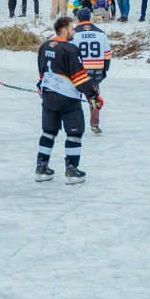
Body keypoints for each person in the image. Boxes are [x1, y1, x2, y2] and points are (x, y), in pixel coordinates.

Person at [36, 16, 100, 183]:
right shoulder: (70, 49)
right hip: (67, 99)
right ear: (64, 31)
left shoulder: (44, 46)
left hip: (48, 97)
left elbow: (41, 72)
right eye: (72, 29)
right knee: (75, 133)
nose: (74, 32)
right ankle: (71, 170)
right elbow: (79, 77)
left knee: (48, 132)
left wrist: (41, 86)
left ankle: (41, 168)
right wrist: (92, 95)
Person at [71, 8, 111, 134]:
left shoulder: (74, 33)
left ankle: (75, 124)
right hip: (95, 71)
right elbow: (107, 55)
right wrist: (104, 70)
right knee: (94, 98)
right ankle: (95, 124)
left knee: (75, 98)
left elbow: (68, 53)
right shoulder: (100, 33)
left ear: (78, 18)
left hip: (79, 72)